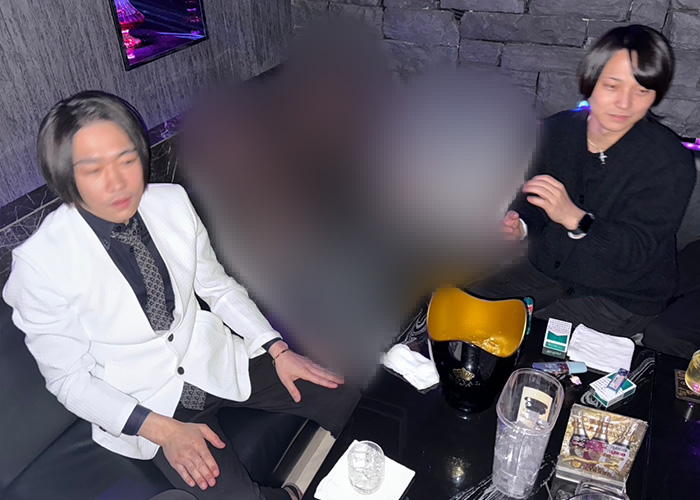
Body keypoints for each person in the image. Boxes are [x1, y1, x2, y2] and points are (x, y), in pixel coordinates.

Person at [2, 91, 359, 500]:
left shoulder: (171, 202)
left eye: (126, 160)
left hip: (211, 356)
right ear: (65, 176)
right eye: (94, 169)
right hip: (147, 401)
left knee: (343, 395)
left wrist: (276, 349)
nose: (118, 183)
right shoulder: (40, 264)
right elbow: (69, 380)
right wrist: (161, 430)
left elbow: (217, 287)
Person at [397, 25, 695, 346]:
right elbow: (534, 196)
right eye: (613, 85)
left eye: (642, 91)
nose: (625, 103)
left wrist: (577, 220)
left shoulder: (669, 162)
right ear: (591, 80)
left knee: (521, 346)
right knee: (461, 311)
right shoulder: (558, 131)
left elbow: (636, 254)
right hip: (549, 269)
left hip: (621, 295)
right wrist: (520, 224)